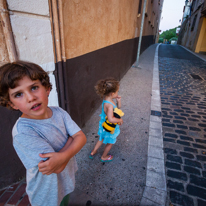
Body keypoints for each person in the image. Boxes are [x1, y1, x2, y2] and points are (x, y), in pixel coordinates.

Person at [0, 61, 87, 206]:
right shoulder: (23, 132)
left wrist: (62, 155)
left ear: (47, 89)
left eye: (34, 88)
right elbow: (55, 166)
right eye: (18, 94)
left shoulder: (60, 113)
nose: (30, 98)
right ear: (12, 104)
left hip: (66, 181)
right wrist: (72, 140)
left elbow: (81, 138)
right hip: (46, 194)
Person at [89, 78, 123, 162]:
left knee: (101, 138)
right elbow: (111, 119)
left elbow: (117, 110)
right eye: (117, 91)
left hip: (103, 125)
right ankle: (104, 157)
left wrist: (118, 101)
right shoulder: (110, 105)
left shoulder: (106, 100)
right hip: (109, 127)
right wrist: (119, 120)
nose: (118, 93)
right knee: (110, 142)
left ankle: (93, 151)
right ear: (112, 93)